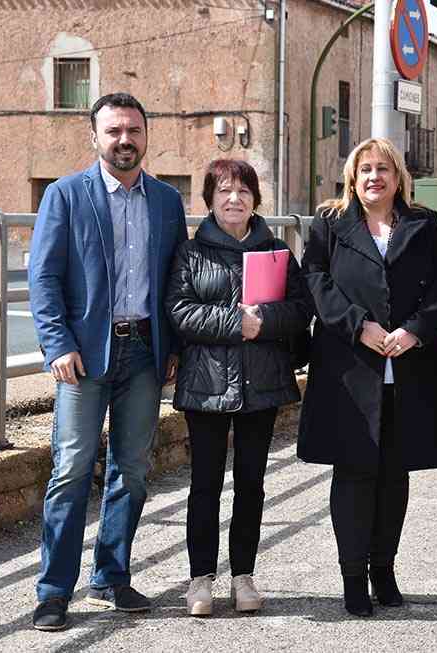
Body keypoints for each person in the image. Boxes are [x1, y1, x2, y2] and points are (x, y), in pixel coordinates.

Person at [28, 92, 188, 631]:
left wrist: (175, 348)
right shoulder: (65, 196)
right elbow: (44, 278)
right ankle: (54, 590)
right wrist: (57, 344)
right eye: (114, 131)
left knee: (134, 470)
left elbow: (176, 283)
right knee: (71, 470)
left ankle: (111, 576)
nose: (125, 140)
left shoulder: (166, 201)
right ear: (94, 137)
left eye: (134, 131)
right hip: (83, 355)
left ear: (147, 135)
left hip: (145, 352)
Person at [298, 137, 437, 617]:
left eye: (384, 169)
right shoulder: (330, 222)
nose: (374, 177)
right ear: (352, 176)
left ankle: (384, 570)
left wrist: (415, 331)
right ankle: (352, 578)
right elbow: (314, 280)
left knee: (394, 475)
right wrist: (357, 326)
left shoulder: (423, 223)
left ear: (398, 177)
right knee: (353, 473)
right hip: (349, 369)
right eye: (365, 169)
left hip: (407, 366)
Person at [165, 159, 311, 617]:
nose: (235, 199)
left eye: (244, 191)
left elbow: (300, 307)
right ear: (209, 200)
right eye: (224, 191)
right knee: (204, 484)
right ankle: (200, 578)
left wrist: (262, 322)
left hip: (261, 380)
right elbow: (179, 310)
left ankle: (244, 574)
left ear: (256, 200)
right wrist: (235, 322)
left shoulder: (276, 251)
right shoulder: (191, 253)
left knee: (252, 483)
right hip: (206, 381)